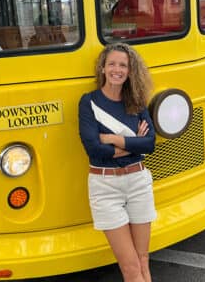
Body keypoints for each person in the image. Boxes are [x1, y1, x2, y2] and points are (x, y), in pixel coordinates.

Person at [78, 43, 156, 282]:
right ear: (102, 68)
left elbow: (150, 144)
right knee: (131, 266)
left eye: (123, 65)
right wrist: (133, 143)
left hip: (138, 182)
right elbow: (93, 148)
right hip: (105, 186)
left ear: (130, 72)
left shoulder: (136, 102)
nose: (117, 69)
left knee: (143, 260)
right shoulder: (88, 102)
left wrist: (113, 139)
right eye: (111, 64)